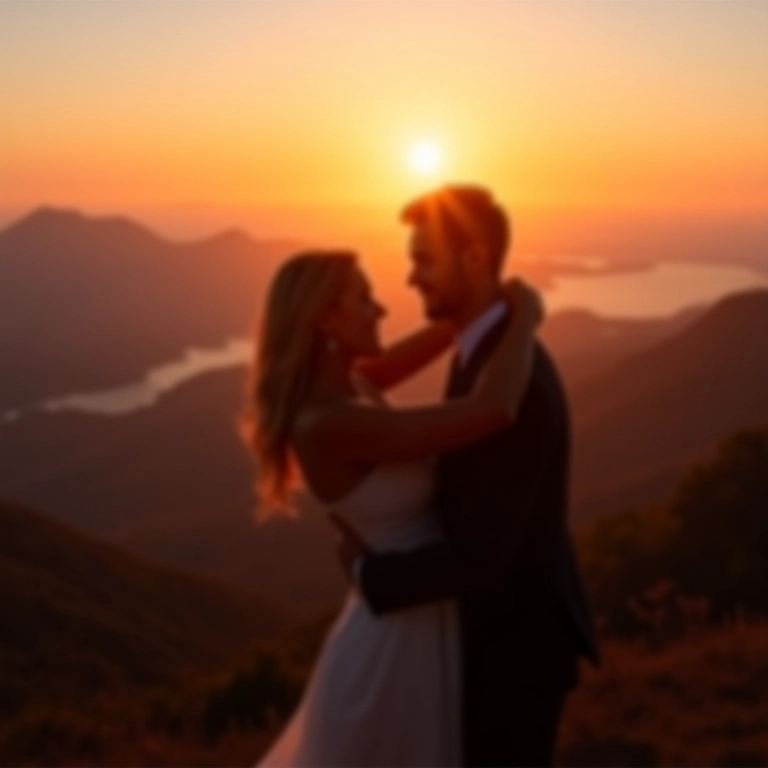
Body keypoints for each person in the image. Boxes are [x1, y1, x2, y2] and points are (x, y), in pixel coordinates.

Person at [245, 247, 543, 766]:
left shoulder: (354, 385)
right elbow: (493, 409)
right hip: (395, 642)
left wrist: (481, 304)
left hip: (414, 611)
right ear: (326, 320)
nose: (381, 310)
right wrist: (528, 318)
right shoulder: (327, 423)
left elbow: (434, 338)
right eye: (364, 299)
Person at [337, 185, 601, 767]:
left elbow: (483, 556)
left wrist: (368, 572)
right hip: (491, 641)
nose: (410, 278)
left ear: (475, 257)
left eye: (424, 260)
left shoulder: (517, 384)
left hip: (514, 650)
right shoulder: (483, 350)